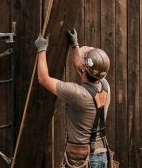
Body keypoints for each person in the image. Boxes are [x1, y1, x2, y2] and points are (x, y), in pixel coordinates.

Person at [34, 30, 113, 168]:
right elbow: (82, 67)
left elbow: (43, 79)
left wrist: (41, 49)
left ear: (84, 68)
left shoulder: (78, 94)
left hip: (84, 159)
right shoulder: (105, 85)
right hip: (102, 155)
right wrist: (75, 45)